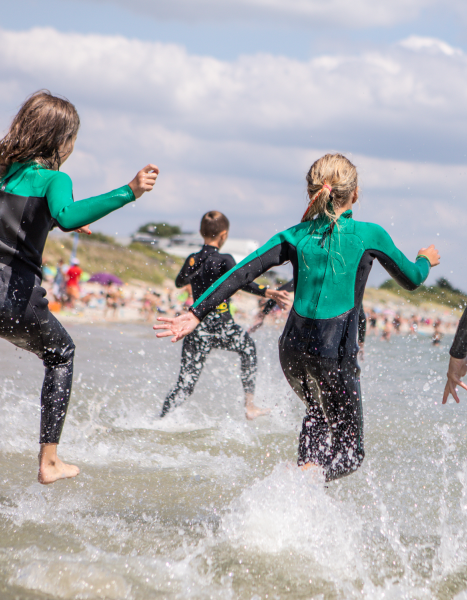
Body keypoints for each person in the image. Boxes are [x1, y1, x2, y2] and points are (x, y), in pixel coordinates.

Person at [0, 90, 159, 531]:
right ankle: (49, 459)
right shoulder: (55, 180)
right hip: (13, 298)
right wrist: (129, 191)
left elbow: (9, 221)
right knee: (61, 353)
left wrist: (51, 218)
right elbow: (66, 216)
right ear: (60, 139)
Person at [155, 154, 439, 481]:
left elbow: (238, 273)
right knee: (350, 453)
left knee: (317, 414)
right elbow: (413, 279)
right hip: (333, 356)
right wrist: (425, 259)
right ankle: (296, 481)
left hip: (291, 352)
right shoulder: (370, 235)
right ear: (355, 194)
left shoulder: (293, 235)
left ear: (312, 193)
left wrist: (195, 313)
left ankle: (298, 502)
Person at [160, 211, 290, 420]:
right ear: (223, 235)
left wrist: (195, 272)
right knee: (248, 348)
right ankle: (250, 406)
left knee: (185, 383)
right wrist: (267, 291)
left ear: (202, 232)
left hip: (197, 328)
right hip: (222, 327)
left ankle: (161, 419)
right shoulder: (224, 259)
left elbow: (179, 282)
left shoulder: (193, 259)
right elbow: (241, 280)